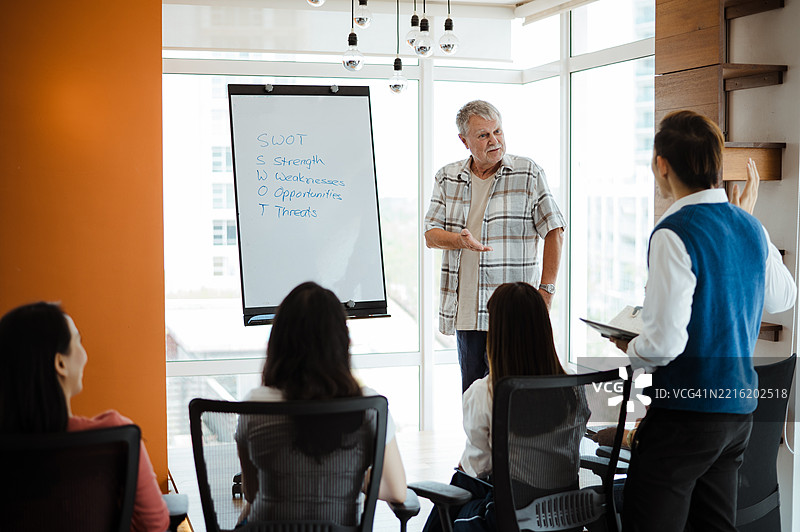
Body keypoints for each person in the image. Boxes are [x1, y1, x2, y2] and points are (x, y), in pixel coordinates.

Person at [610, 110, 797, 532]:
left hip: (686, 414)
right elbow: (784, 298)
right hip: (736, 418)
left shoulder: (673, 231)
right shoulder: (749, 226)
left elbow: (664, 344)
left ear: (662, 164)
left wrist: (632, 348)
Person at [235, 281, 407, 526]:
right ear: (341, 343)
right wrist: (349, 475)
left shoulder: (255, 404)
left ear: (279, 342)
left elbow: (252, 492)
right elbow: (397, 491)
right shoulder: (369, 406)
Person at [424, 100, 566, 393]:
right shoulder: (447, 176)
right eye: (483, 135)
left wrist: (546, 291)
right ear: (464, 141)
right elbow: (431, 235)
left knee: (517, 400)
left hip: (515, 313)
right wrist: (459, 240)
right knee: (473, 397)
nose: (494, 140)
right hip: (468, 313)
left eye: (497, 131)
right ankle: (478, 443)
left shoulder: (528, 172)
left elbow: (555, 230)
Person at [422, 282, 589, 532]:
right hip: (565, 514)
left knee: (459, 484)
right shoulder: (573, 387)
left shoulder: (486, 391)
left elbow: (478, 467)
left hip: (512, 519)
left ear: (497, 333)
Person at [0, 302, 170, 532]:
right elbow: (154, 525)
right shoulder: (115, 435)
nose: (85, 354)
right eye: (78, 340)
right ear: (60, 363)